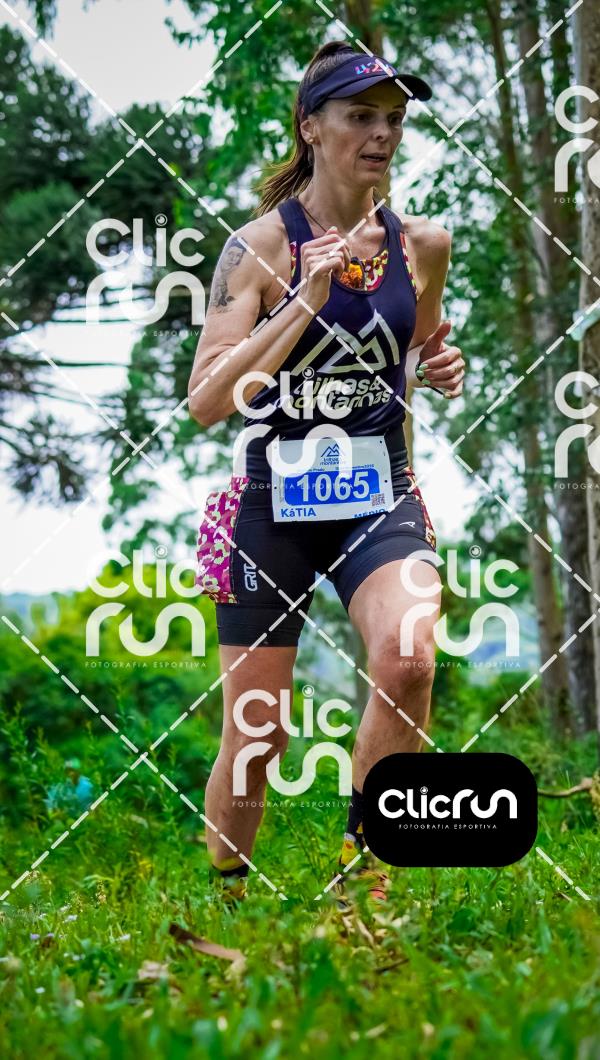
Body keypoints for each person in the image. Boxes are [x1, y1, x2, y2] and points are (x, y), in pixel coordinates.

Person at [188, 41, 465, 903]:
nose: (381, 134)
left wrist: (439, 363)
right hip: (273, 504)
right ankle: (227, 899)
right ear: (312, 127)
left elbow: (416, 343)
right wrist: (303, 302)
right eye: (360, 117)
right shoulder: (259, 248)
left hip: (377, 493)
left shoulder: (423, 244)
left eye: (394, 120)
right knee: (257, 734)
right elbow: (208, 399)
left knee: (409, 657)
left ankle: (362, 883)